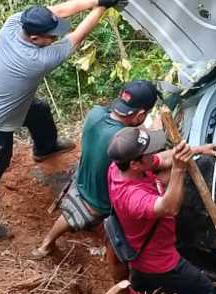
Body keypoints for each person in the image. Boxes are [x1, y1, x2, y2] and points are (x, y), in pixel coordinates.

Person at [0, 0, 128, 240]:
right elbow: (78, 36)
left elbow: (57, 11)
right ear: (35, 37)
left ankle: (45, 148)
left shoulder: (12, 25)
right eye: (51, 36)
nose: (54, 38)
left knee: (38, 110)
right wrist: (102, 8)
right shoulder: (37, 59)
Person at [106, 126, 216, 294]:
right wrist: (178, 169)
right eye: (148, 152)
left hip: (138, 253)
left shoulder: (118, 167)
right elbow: (170, 208)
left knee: (142, 282)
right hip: (160, 260)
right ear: (135, 163)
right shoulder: (130, 196)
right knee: (204, 291)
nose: (154, 154)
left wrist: (196, 150)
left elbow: (160, 159)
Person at [29, 80, 161, 260]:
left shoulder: (95, 113)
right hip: (100, 201)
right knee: (153, 181)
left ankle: (46, 245)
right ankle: (112, 252)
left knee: (69, 217)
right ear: (140, 115)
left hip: (81, 180)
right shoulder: (122, 140)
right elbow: (154, 155)